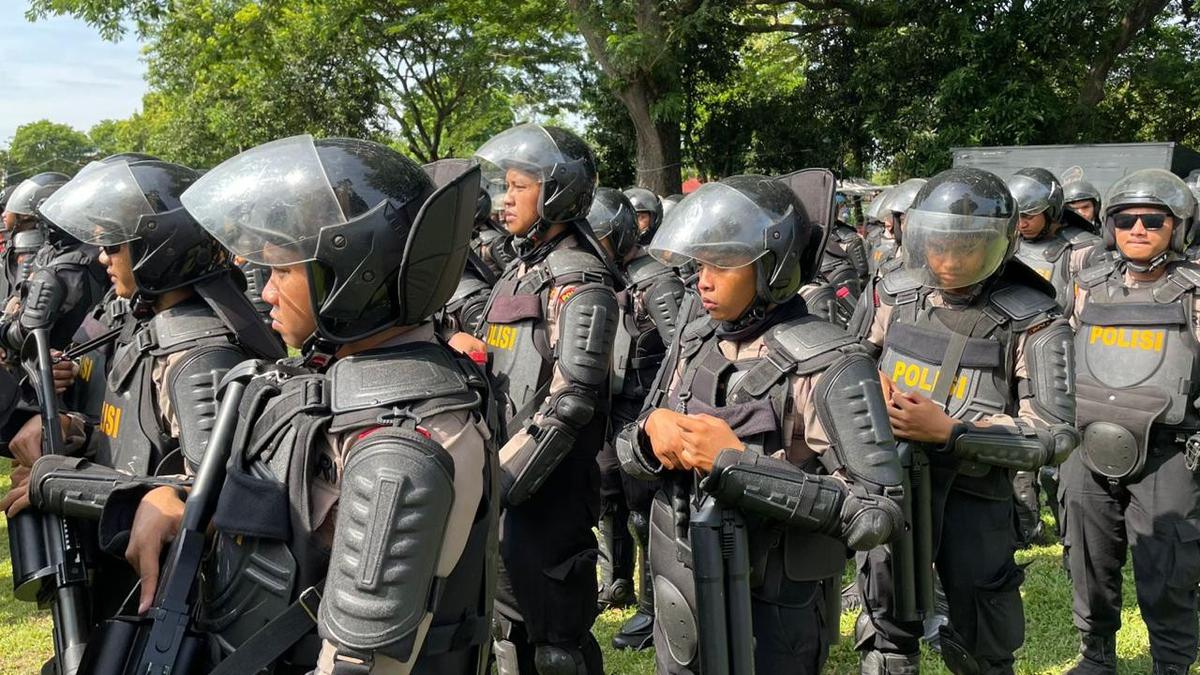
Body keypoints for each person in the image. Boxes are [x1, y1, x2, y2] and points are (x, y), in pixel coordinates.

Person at [104, 135, 499, 674]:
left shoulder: (402, 437)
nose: (265, 292)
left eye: (282, 271)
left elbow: (358, 663)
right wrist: (173, 498)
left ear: (352, 277)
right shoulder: (336, 382)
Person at [616, 174, 904, 674]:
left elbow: (875, 512)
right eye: (701, 263)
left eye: (723, 265)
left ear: (774, 266)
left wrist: (738, 466)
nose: (703, 281)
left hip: (775, 607)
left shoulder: (831, 361)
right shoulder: (696, 340)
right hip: (682, 589)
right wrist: (648, 433)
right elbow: (630, 445)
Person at [856, 166, 1077, 674]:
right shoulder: (897, 292)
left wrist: (953, 433)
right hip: (893, 489)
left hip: (976, 498)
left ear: (1000, 243)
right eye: (939, 245)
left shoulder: (1033, 318)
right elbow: (852, 361)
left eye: (967, 247)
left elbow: (1054, 435)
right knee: (886, 635)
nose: (950, 260)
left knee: (983, 645)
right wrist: (870, 384)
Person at [454, 123, 620, 674]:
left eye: (518, 186)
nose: (504, 198)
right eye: (505, 185)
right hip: (504, 478)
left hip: (550, 488)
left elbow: (573, 400)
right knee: (507, 631)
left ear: (557, 193)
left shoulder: (580, 281)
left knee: (557, 646)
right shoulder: (520, 270)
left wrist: (504, 481)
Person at [1063, 168, 1200, 675]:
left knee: (1168, 568)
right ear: (1110, 226)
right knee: (1087, 557)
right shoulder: (1087, 286)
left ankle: (1171, 664)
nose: (1137, 229)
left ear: (1179, 226)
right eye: (1125, 219)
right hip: (1087, 446)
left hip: (1168, 451)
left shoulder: (1195, 293)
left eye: (1153, 220)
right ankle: (1095, 655)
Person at [587, 187, 684, 650]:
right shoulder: (606, 275)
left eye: (598, 236)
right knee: (609, 492)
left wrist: (663, 411)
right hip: (611, 405)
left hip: (645, 407)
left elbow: (682, 349)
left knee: (646, 510)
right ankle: (617, 581)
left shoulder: (656, 280)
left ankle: (654, 608)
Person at [0, 171, 107, 356]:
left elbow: (27, 334)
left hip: (51, 363)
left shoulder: (62, 269)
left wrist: (3, 331)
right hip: (75, 359)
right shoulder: (84, 250)